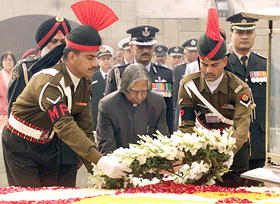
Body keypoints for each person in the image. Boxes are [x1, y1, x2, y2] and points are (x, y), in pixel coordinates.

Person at [2, 1, 130, 188]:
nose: (95, 64)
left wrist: (97, 169)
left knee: (53, 196)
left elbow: (85, 127)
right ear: (71, 57)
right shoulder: (50, 81)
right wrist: (101, 162)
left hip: (49, 145)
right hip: (21, 147)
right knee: (28, 198)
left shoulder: (84, 82)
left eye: (96, 57)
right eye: (90, 58)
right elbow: (63, 123)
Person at [178, 8, 254, 187]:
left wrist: (221, 156)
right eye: (204, 65)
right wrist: (199, 155)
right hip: (201, 154)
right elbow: (186, 125)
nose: (208, 71)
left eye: (214, 65)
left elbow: (241, 131)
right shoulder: (189, 85)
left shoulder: (239, 89)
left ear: (225, 62)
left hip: (234, 156)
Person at [105, 25, 174, 134]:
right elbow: (108, 109)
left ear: (154, 47)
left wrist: (170, 139)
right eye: (141, 47)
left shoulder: (165, 74)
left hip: (155, 137)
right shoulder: (118, 73)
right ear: (131, 47)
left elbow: (169, 111)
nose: (145, 51)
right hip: (124, 135)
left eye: (149, 47)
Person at [225, 13, 267, 174]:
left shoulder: (265, 64)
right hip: (232, 137)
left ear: (255, 35)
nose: (244, 37)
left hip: (258, 137)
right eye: (239, 32)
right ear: (231, 35)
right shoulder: (224, 64)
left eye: (249, 33)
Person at [97, 64, 168, 155]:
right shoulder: (108, 105)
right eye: (134, 91)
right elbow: (106, 146)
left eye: (144, 91)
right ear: (125, 87)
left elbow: (162, 139)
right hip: (118, 161)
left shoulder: (157, 102)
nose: (139, 96)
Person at [172, 39, 199, 131]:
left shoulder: (204, 67)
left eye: (195, 51)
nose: (193, 54)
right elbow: (175, 94)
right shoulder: (178, 69)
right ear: (184, 54)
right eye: (191, 52)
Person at [91, 45, 113, 131]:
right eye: (103, 59)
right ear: (98, 62)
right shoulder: (92, 77)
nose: (106, 61)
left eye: (108, 58)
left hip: (112, 115)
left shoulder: (117, 75)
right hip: (96, 115)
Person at [0, 51, 16, 130]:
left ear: (14, 62)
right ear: (2, 63)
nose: (8, 62)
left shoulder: (18, 76)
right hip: (2, 113)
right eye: (5, 60)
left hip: (16, 112)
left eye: (10, 60)